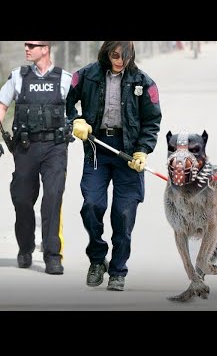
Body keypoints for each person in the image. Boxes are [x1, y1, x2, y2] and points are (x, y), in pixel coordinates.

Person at [66, 41, 162, 291]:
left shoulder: (144, 82)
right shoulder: (85, 75)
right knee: (91, 205)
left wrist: (143, 149)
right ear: (106, 52)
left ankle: (118, 270)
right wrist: (76, 120)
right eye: (115, 55)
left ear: (132, 55)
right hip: (97, 146)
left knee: (123, 213)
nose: (119, 60)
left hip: (128, 152)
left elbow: (152, 121)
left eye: (125, 56)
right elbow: (65, 101)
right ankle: (98, 260)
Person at [0, 41, 72, 275]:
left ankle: (52, 255)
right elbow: (2, 105)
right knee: (21, 198)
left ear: (46, 48)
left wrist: (80, 123)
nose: (27, 48)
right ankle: (25, 247)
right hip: (25, 147)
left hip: (55, 148)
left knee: (52, 198)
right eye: (26, 44)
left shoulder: (64, 79)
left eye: (32, 44)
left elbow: (79, 110)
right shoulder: (18, 77)